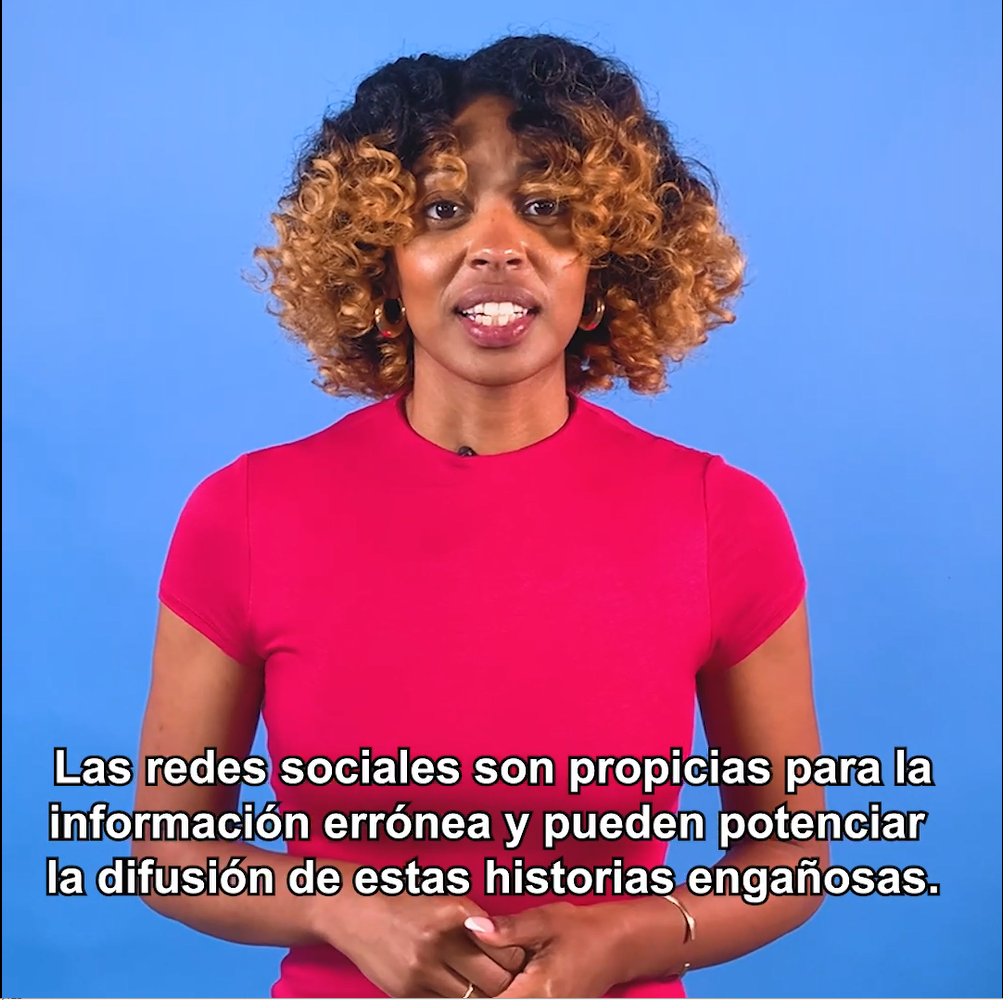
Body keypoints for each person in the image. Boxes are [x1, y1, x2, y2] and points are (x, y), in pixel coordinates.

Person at [134, 34, 827, 999]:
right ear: (381, 265)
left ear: (604, 261)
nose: (496, 245)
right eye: (442, 209)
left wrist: (625, 940)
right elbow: (169, 845)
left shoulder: (721, 517)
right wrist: (341, 908)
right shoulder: (244, 513)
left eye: (544, 208)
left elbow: (788, 864)